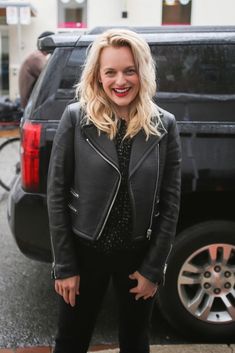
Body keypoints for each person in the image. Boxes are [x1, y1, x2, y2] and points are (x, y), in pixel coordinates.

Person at [47, 29, 181, 353]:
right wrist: (64, 266)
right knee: (70, 341)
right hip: (84, 252)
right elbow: (56, 194)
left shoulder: (164, 125)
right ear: (98, 75)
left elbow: (171, 202)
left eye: (129, 70)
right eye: (111, 72)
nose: (120, 80)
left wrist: (154, 269)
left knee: (136, 341)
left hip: (138, 255)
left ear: (142, 72)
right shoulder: (76, 118)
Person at [18, 31, 54, 108]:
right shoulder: (37, 58)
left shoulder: (37, 56)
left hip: (31, 104)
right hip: (30, 105)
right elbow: (50, 76)